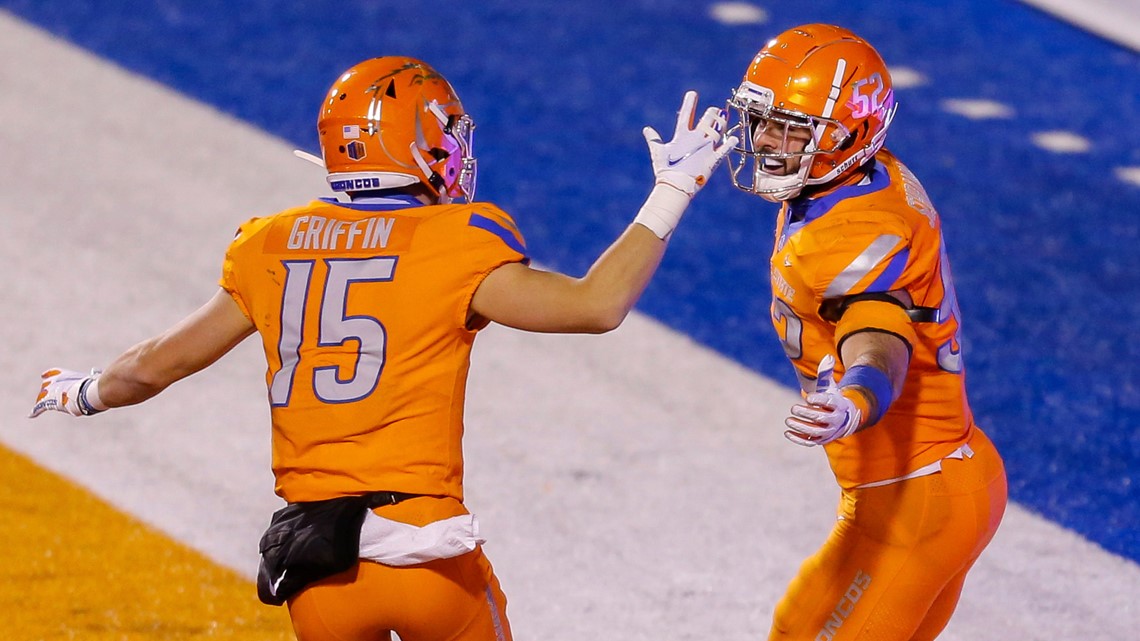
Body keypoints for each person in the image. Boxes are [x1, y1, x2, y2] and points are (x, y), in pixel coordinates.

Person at [29, 56, 736, 641]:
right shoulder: (455, 240)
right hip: (426, 554)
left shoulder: (268, 245)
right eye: (448, 134)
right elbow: (595, 305)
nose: (459, 150)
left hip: (319, 568)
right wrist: (671, 190)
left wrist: (82, 389)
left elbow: (157, 364)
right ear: (415, 141)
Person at [722, 24, 1007, 640]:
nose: (768, 139)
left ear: (853, 131)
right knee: (796, 628)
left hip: (918, 497)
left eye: (794, 127)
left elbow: (878, 330)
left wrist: (856, 398)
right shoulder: (863, 178)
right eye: (764, 118)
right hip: (929, 483)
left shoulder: (853, 234)